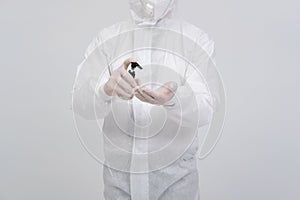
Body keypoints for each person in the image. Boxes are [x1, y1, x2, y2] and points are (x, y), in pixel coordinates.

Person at [72, 0, 219, 199]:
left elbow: (206, 108)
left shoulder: (195, 41)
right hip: (119, 188)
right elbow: (80, 102)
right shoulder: (108, 40)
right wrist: (105, 90)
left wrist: (174, 99)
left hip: (177, 187)